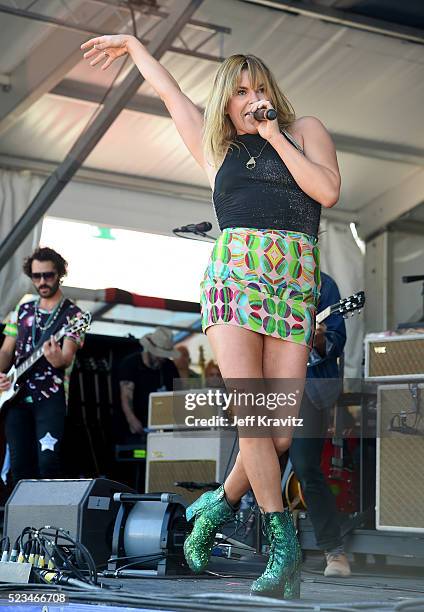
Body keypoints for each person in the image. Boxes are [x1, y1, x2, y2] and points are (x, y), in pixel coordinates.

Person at [82, 36, 340, 599]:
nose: (253, 98)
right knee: (253, 419)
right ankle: (282, 548)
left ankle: (218, 502)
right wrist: (132, 45)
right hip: (234, 281)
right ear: (225, 101)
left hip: (294, 281)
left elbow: (328, 190)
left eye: (260, 87)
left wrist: (274, 134)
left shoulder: (305, 130)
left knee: (275, 437)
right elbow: (168, 90)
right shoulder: (215, 149)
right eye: (241, 91)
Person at [0, 247, 85, 483]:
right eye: (36, 276)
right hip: (15, 398)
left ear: (59, 274)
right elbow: (7, 349)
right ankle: (22, 519)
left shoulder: (74, 316)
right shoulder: (22, 309)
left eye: (48, 275)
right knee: (19, 466)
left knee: (48, 463)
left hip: (51, 398)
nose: (42, 281)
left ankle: (47, 518)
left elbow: (66, 358)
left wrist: (56, 358)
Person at [290, 271, 350, 577]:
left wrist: (318, 339)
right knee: (258, 464)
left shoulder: (324, 285)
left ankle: (334, 552)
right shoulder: (259, 276)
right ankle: (282, 550)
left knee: (305, 468)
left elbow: (336, 342)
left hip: (307, 391)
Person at [119, 327, 179, 436]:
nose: (162, 359)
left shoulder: (169, 367)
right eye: (160, 355)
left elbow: (177, 395)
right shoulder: (131, 364)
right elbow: (126, 397)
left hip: (163, 427)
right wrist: (132, 420)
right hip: (136, 427)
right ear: (150, 349)